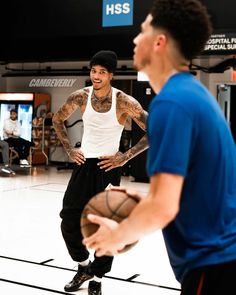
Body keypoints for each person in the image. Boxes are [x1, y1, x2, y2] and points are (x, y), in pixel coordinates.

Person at [83, 1, 236, 294]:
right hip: (220, 260)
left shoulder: (171, 103)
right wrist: (145, 200)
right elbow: (184, 192)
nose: (135, 39)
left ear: (159, 42)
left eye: (142, 31)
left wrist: (117, 237)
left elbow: (163, 207)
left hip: (215, 266)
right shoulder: (192, 95)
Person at [52, 50, 148, 295]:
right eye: (93, 71)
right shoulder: (80, 97)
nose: (96, 76)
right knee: (69, 220)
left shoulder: (124, 101)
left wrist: (124, 157)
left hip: (108, 168)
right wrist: (69, 150)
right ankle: (84, 266)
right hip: (83, 165)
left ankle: (97, 278)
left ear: (111, 75)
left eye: (101, 72)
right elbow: (57, 118)